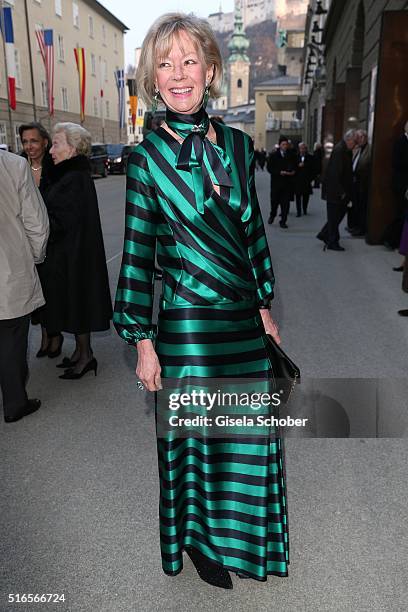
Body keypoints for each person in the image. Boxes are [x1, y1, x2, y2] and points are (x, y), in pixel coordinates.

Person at [113, 13, 289, 589]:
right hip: (187, 322)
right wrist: (141, 340)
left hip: (240, 319)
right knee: (194, 439)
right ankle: (199, 544)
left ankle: (241, 537)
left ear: (211, 71)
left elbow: (254, 233)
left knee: (242, 432)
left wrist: (265, 307)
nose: (178, 74)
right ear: (152, 79)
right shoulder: (144, 161)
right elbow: (137, 255)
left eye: (190, 61)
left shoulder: (239, 146)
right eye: (165, 64)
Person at [41, 123, 112, 379]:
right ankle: (80, 354)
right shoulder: (71, 174)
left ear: (72, 148)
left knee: (78, 303)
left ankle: (86, 357)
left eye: (57, 143)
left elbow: (62, 221)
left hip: (74, 255)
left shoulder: (72, 178)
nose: (51, 150)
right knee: (77, 303)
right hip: (74, 253)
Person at [0, 150, 49, 423]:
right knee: (11, 339)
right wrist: (35, 256)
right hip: (8, 269)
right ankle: (15, 402)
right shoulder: (13, 165)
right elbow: (36, 221)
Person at [19, 122, 58, 358]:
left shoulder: (55, 166)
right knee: (35, 290)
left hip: (53, 241)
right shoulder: (17, 166)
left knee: (52, 291)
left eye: (33, 141)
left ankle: (55, 334)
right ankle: (45, 334)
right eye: (25, 141)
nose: (29, 146)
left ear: (45, 141)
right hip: (25, 241)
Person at [317, 129, 357, 251]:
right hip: (336, 192)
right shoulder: (340, 150)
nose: (355, 144)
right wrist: (342, 192)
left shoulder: (345, 150)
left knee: (336, 216)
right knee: (334, 217)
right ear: (348, 140)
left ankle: (325, 234)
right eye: (354, 141)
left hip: (339, 191)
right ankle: (332, 242)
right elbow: (335, 174)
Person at [384, 120, 408, 249]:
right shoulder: (401, 141)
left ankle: (394, 240)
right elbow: (396, 163)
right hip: (401, 184)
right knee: (401, 214)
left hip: (403, 184)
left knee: (402, 214)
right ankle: (390, 239)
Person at [266, 135, 296, 228]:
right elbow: (269, 168)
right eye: (283, 144)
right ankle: (272, 215)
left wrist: (293, 171)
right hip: (276, 183)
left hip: (287, 184)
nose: (285, 146)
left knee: (285, 204)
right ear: (279, 145)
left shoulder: (291, 155)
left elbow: (295, 165)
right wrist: (279, 172)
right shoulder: (274, 155)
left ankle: (283, 221)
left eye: (286, 144)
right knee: (274, 202)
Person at [348, 129, 370, 237]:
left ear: (364, 137)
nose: (357, 140)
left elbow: (366, 165)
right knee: (355, 207)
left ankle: (361, 228)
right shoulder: (358, 149)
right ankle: (355, 226)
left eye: (358, 138)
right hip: (355, 183)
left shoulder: (369, 149)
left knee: (361, 207)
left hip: (363, 184)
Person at [294, 142, 314, 216]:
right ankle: (298, 211)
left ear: (306, 149)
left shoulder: (310, 157)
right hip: (298, 180)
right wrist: (298, 166)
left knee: (306, 196)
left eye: (303, 148)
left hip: (306, 180)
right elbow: (293, 167)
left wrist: (305, 165)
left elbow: (312, 168)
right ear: (299, 149)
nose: (302, 150)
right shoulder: (295, 157)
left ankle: (304, 209)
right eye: (301, 148)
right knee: (298, 196)